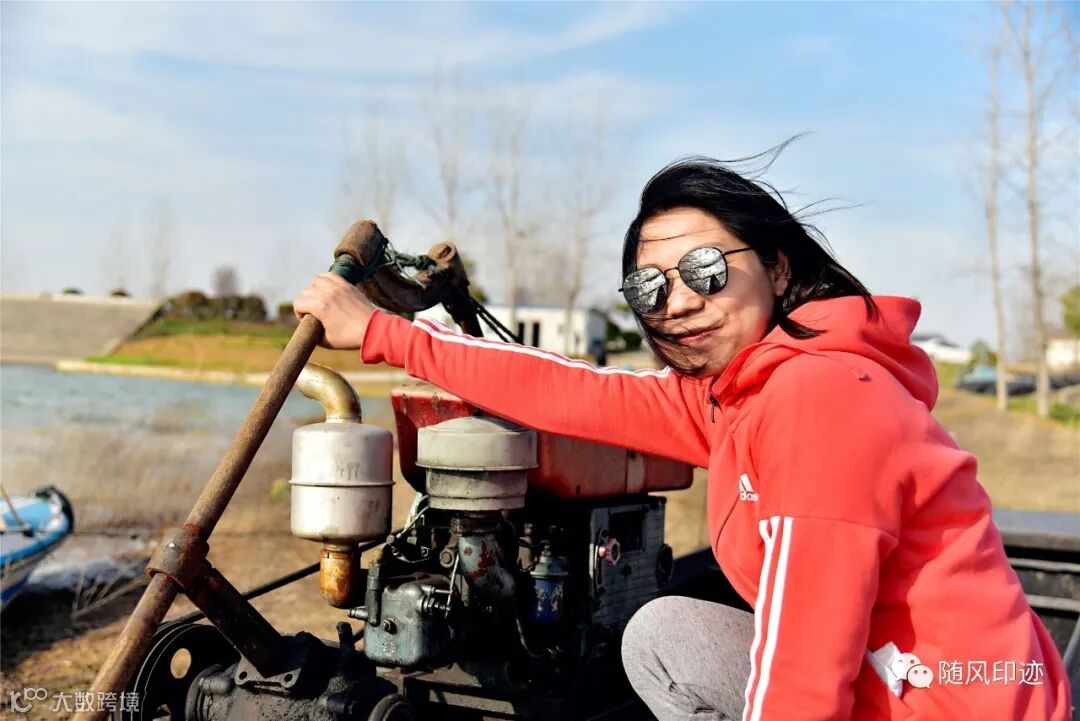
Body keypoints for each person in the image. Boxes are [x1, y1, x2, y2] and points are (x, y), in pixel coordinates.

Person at [294, 155, 1072, 720]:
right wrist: (385, 334)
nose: (679, 300)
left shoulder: (820, 401)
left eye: (706, 268)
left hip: (960, 703)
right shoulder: (739, 394)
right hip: (899, 681)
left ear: (777, 266)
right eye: (651, 286)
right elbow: (577, 389)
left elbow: (803, 679)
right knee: (662, 635)